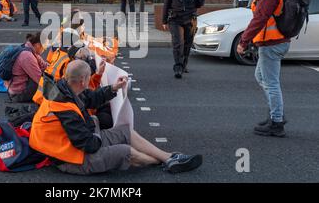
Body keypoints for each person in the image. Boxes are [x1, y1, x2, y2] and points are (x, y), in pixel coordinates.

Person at [29, 60, 203, 175]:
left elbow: (91, 98)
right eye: (89, 78)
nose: (90, 81)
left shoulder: (65, 89)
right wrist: (94, 129)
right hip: (69, 158)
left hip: (73, 143)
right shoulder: (63, 106)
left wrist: (114, 88)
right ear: (82, 80)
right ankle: (163, 162)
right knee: (124, 152)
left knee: (124, 131)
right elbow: (88, 145)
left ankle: (169, 157)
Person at [237, 0, 294, 137]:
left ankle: (277, 122)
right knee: (261, 77)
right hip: (275, 40)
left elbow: (260, 18)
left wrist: (243, 41)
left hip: (272, 42)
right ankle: (274, 114)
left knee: (271, 83)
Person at [162, 0, 205, 79]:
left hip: (190, 20)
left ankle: (184, 64)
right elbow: (166, 5)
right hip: (175, 20)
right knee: (178, 43)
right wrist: (164, 20)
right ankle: (178, 67)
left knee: (187, 43)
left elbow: (199, 4)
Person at [4, 32, 49, 103]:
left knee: (46, 75)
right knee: (45, 84)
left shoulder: (28, 48)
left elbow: (44, 65)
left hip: (16, 87)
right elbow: (39, 78)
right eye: (44, 47)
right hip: (18, 94)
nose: (45, 50)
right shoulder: (27, 56)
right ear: (37, 45)